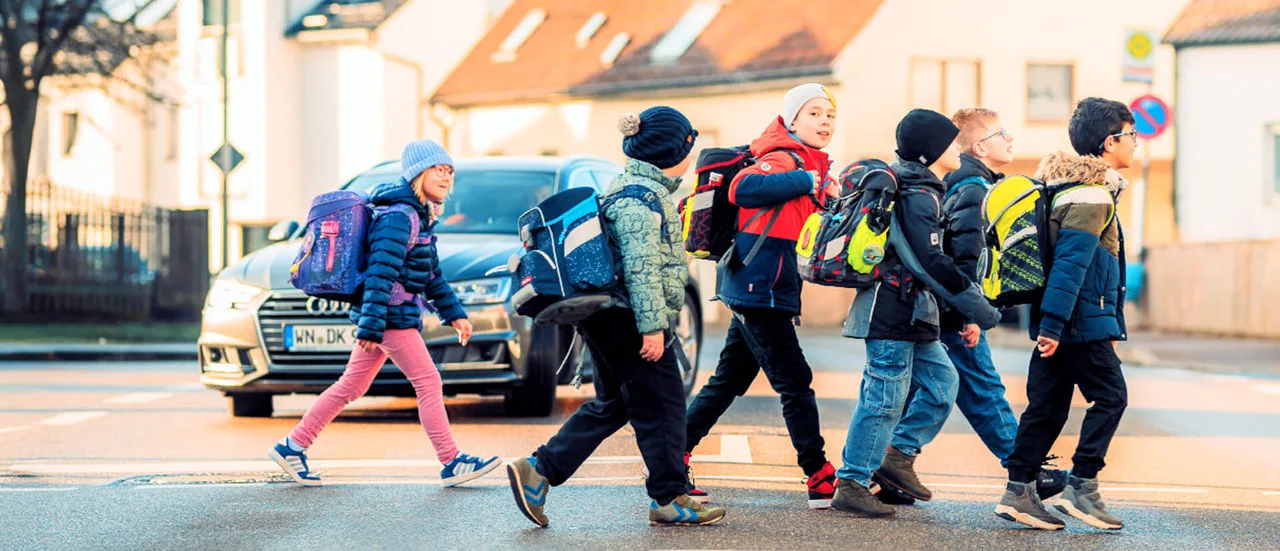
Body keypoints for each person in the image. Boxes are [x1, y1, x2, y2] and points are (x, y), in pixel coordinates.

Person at [506, 107, 726, 527]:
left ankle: (539, 472)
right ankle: (669, 497)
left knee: (614, 405)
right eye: (688, 147)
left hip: (609, 316)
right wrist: (654, 327)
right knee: (665, 405)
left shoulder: (629, 187)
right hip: (629, 317)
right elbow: (641, 266)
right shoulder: (641, 198)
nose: (691, 156)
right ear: (670, 151)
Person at [269, 140, 500, 488]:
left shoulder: (418, 215)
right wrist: (371, 325)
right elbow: (379, 273)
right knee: (428, 382)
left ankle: (292, 447)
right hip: (390, 316)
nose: (445, 176)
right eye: (437, 169)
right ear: (417, 173)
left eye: (449, 171)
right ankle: (452, 461)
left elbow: (431, 275)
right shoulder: (399, 217)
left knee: (351, 385)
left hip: (388, 315)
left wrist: (455, 314)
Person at [831, 109, 1000, 518]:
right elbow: (929, 261)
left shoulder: (926, 187)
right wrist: (978, 308)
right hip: (891, 311)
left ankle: (897, 458)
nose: (957, 147)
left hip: (915, 314)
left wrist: (961, 315)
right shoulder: (916, 193)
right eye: (949, 141)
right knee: (884, 398)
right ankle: (852, 480)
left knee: (943, 384)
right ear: (930, 151)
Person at [682, 83, 842, 509]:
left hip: (759, 285)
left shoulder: (807, 163)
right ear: (792, 120)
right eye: (813, 113)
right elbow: (742, 189)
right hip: (759, 288)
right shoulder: (783, 157)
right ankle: (818, 475)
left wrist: (822, 192)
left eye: (829, 114)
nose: (824, 121)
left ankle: (671, 453)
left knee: (728, 380)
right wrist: (802, 179)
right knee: (796, 382)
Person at [996, 98, 1134, 531]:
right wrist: (1057, 326)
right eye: (1131, 136)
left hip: (1061, 320)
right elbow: (1071, 265)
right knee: (1111, 398)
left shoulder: (1069, 189)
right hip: (1075, 322)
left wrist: (1051, 323)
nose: (1136, 145)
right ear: (1110, 142)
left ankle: (1018, 492)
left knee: (1048, 408)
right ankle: (1082, 486)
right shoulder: (1092, 196)